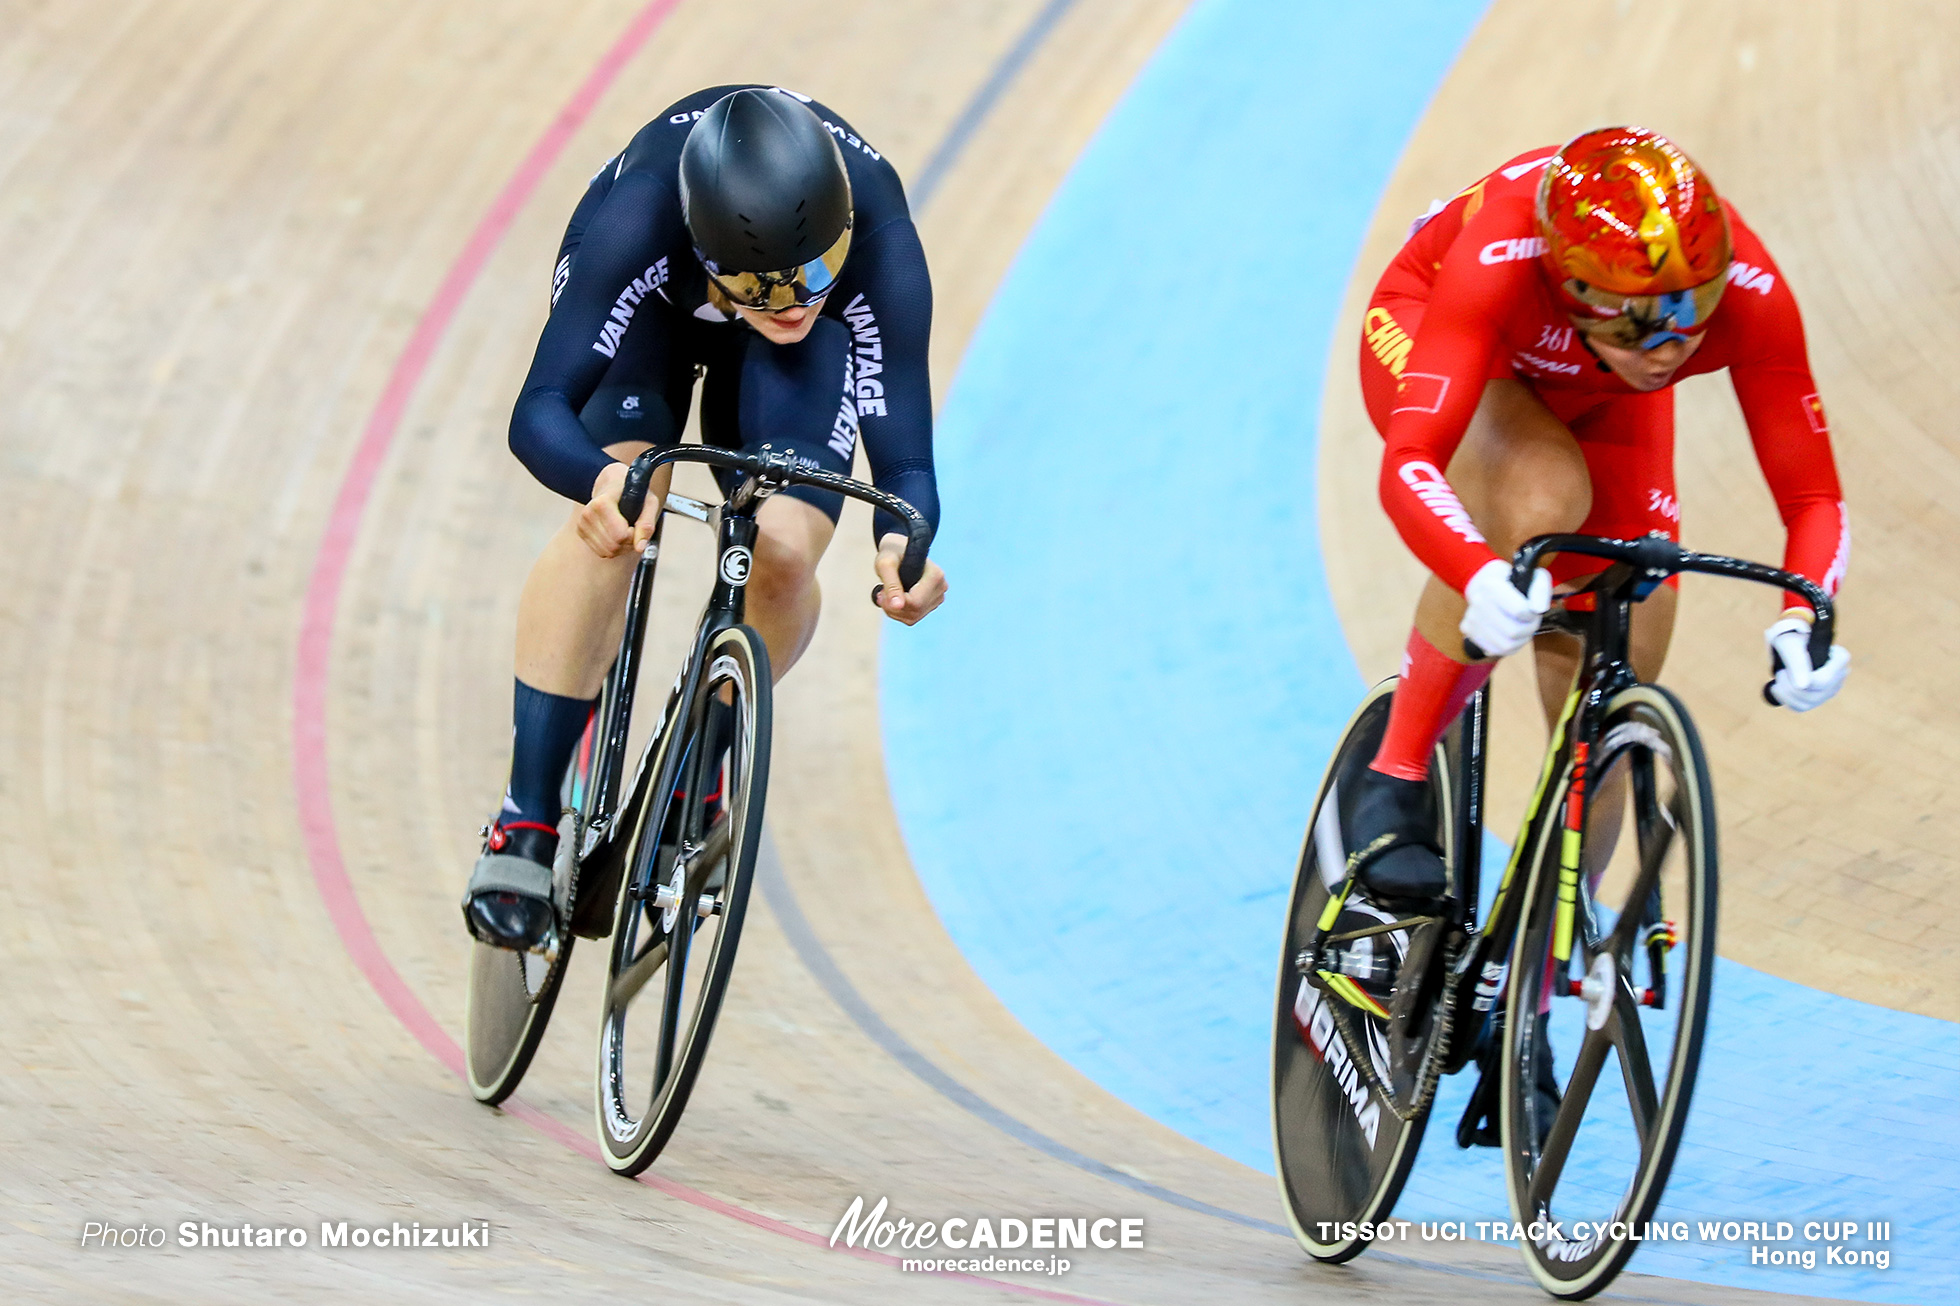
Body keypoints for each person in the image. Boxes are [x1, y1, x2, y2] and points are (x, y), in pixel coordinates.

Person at [463, 86, 948, 950]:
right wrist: (597, 484)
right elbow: (537, 410)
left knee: (786, 553)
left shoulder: (876, 240)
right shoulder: (640, 221)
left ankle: (706, 746)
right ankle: (526, 817)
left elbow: (905, 460)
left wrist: (904, 548)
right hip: (655, 312)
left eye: (816, 273)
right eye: (766, 286)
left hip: (777, 352)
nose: (795, 300)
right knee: (621, 507)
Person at [1343, 126, 1851, 910]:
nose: (1672, 346)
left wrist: (1804, 614)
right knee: (1541, 499)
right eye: (1641, 322)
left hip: (1598, 389)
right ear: (1576, 292)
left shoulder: (1745, 298)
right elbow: (1408, 458)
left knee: (1627, 649)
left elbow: (1815, 498)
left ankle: (1536, 982)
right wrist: (1478, 572)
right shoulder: (1498, 256)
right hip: (1438, 327)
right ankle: (1393, 774)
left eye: (1696, 307)